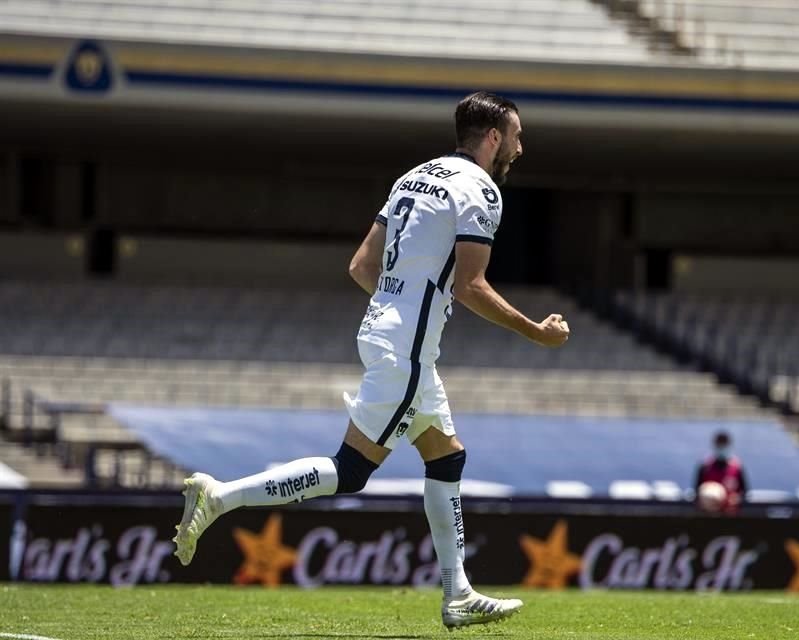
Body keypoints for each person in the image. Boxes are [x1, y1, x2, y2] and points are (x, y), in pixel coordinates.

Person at [172, 91, 570, 628]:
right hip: (405, 348)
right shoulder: (480, 189)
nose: (520, 148)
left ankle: (458, 592)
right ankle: (220, 497)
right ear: (493, 137)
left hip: (393, 337)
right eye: (516, 136)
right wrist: (535, 332)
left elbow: (362, 266)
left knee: (446, 457)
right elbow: (473, 286)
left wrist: (401, 307)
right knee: (351, 470)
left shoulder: (414, 176)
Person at [695, 430, 748, 514]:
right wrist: (705, 497)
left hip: (731, 515)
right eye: (719, 445)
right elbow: (696, 491)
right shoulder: (705, 467)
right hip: (707, 515)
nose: (721, 448)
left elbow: (745, 492)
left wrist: (736, 499)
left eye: (724, 445)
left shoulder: (737, 467)